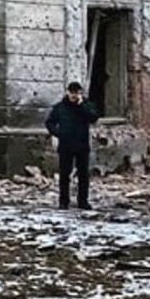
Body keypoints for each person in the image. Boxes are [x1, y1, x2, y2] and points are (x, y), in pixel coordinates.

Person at [45, 80, 102, 210]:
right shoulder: (60, 107)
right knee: (64, 174)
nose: (73, 96)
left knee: (83, 175)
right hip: (66, 145)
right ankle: (63, 202)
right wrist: (59, 133)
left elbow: (93, 118)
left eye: (76, 93)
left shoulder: (86, 105)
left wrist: (82, 105)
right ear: (67, 92)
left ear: (80, 93)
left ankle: (83, 201)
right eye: (71, 93)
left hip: (82, 145)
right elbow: (49, 122)